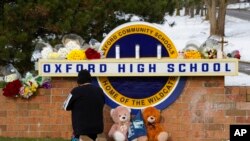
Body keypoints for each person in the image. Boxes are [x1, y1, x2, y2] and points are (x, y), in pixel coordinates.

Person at [63, 69, 105, 141]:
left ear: (79, 80)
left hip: (81, 129)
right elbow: (102, 103)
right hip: (97, 129)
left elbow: (65, 107)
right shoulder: (99, 90)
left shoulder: (76, 91)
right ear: (90, 79)